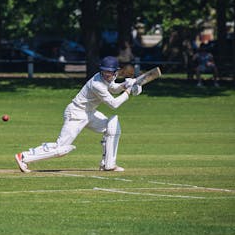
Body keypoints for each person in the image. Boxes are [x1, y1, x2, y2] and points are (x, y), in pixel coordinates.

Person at [14, 56, 142, 173]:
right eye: (104, 71)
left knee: (112, 126)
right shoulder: (97, 84)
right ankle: (24, 156)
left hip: (89, 113)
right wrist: (128, 91)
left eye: (109, 72)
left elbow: (114, 88)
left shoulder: (108, 79)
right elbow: (114, 104)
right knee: (61, 149)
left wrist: (126, 84)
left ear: (115, 72)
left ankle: (108, 165)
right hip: (76, 113)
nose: (106, 75)